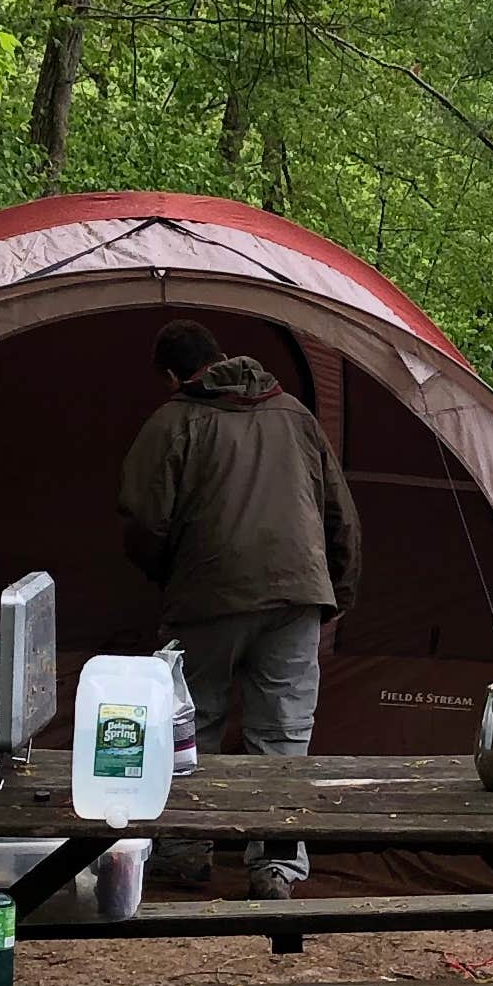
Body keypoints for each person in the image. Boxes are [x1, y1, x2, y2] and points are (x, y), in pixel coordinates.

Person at [117, 320, 363, 897]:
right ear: (220, 355)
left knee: (190, 725)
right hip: (298, 594)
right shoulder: (296, 414)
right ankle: (274, 866)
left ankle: (183, 851)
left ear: (174, 374)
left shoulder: (174, 420)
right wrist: (336, 594)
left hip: (207, 596)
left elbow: (142, 518)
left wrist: (166, 575)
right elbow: (340, 514)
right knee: (282, 733)